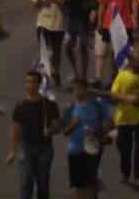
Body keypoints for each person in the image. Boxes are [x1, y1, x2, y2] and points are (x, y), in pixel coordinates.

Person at [8, 68, 61, 199]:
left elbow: (58, 125)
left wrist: (51, 131)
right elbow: (16, 129)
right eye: (27, 82)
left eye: (33, 82)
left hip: (44, 148)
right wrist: (12, 151)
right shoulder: (20, 106)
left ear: (39, 85)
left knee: (43, 183)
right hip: (25, 147)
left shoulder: (48, 105)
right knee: (26, 181)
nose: (30, 85)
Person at [61, 77, 114, 199]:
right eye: (74, 90)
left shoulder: (98, 105)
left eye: (79, 89)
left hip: (92, 148)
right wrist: (72, 125)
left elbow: (110, 124)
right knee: (78, 185)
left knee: (90, 184)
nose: (76, 92)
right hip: (75, 150)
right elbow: (65, 131)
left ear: (86, 90)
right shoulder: (70, 108)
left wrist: (97, 131)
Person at [111, 51, 139, 186]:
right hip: (124, 118)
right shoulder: (122, 76)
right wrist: (128, 98)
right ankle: (125, 172)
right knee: (124, 148)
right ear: (130, 62)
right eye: (137, 61)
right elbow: (114, 94)